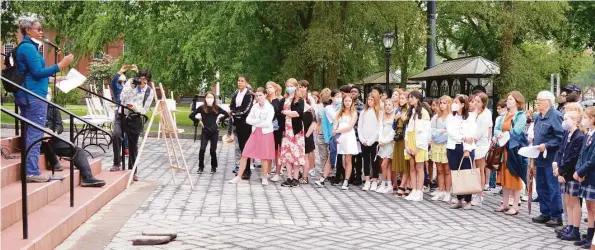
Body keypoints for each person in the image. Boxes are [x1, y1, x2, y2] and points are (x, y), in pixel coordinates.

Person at [15, 16, 74, 183]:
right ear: (28, 30)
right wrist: (61, 65)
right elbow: (37, 73)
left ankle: (30, 170)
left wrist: (54, 79)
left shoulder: (29, 48)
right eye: (38, 29)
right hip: (33, 97)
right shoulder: (28, 48)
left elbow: (33, 75)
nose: (41, 32)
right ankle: (32, 172)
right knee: (35, 134)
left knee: (31, 133)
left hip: (30, 93)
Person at [43, 97, 105, 187]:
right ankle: (54, 162)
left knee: (77, 150)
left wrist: (55, 131)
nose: (46, 96)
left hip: (53, 137)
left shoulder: (53, 107)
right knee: (46, 141)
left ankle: (88, 177)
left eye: (48, 94)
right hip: (38, 139)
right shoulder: (32, 108)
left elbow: (59, 126)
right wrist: (42, 132)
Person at [110, 69, 155, 182]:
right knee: (116, 135)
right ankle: (116, 163)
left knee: (133, 145)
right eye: (140, 77)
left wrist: (135, 108)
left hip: (135, 118)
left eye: (144, 79)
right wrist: (131, 87)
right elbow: (122, 98)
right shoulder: (130, 82)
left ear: (148, 80)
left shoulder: (149, 92)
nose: (141, 81)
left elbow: (144, 110)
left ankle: (132, 170)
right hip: (122, 115)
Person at [229, 88, 276, 185]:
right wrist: (259, 121)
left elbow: (267, 123)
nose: (258, 97)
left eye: (260, 95)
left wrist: (256, 121)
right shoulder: (254, 107)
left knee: (264, 156)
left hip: (266, 134)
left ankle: (264, 177)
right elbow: (248, 120)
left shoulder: (270, 107)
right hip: (255, 133)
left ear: (265, 95)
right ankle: (239, 176)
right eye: (257, 95)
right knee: (245, 154)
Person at [531, 91, 565, 226]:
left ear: (549, 102)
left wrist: (547, 145)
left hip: (551, 158)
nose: (537, 102)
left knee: (553, 187)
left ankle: (556, 216)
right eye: (537, 99)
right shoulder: (539, 117)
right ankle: (545, 213)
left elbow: (560, 137)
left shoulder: (556, 116)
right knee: (541, 187)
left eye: (540, 99)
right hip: (539, 157)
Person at [493, 91, 528, 215]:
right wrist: (499, 134)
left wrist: (505, 135)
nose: (508, 101)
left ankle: (515, 206)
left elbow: (517, 131)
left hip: (514, 150)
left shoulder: (520, 116)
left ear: (517, 102)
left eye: (511, 99)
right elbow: (496, 129)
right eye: (508, 99)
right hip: (503, 149)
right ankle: (505, 203)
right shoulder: (504, 115)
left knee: (514, 176)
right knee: (503, 176)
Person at [553, 111, 585, 241]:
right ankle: (570, 226)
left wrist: (561, 170)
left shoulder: (579, 136)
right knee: (567, 201)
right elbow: (561, 151)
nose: (564, 121)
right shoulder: (567, 134)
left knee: (574, 201)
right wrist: (557, 167)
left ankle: (575, 229)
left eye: (567, 119)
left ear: (576, 121)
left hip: (571, 173)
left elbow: (573, 158)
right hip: (564, 173)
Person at [446, 95, 477, 209]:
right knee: (456, 173)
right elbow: (451, 132)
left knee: (466, 173)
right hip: (453, 147)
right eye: (454, 102)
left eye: (457, 102)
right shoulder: (450, 117)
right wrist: (463, 138)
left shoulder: (471, 117)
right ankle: (459, 199)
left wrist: (467, 149)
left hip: (466, 148)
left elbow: (472, 134)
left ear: (463, 104)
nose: (455, 104)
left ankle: (468, 200)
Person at [189, 92, 229, 174]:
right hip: (205, 131)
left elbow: (226, 114)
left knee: (212, 150)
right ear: (205, 98)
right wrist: (198, 121)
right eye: (208, 97)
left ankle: (213, 167)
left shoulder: (216, 107)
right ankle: (200, 167)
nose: (209, 99)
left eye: (211, 97)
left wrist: (220, 120)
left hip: (214, 131)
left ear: (214, 99)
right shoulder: (202, 107)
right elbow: (191, 115)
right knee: (202, 149)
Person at [403, 90, 431, 202]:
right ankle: (413, 189)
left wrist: (418, 147)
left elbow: (425, 132)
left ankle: (419, 191)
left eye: (412, 97)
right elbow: (407, 131)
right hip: (410, 141)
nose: (410, 99)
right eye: (409, 97)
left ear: (418, 99)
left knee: (419, 167)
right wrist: (407, 145)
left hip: (419, 143)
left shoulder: (424, 112)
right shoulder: (410, 112)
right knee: (412, 167)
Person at [574, 107, 595, 248]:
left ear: (593, 119)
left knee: (593, 208)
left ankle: (592, 238)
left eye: (586, 118)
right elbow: (581, 155)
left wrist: (580, 172)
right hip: (584, 175)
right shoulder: (588, 134)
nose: (584, 121)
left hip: (592, 175)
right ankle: (588, 236)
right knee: (588, 206)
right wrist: (578, 170)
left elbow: (593, 160)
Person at [279, 78, 306, 187]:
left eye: (291, 85)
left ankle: (296, 177)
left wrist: (285, 112)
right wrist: (286, 113)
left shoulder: (299, 99)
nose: (289, 88)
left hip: (296, 131)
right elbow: (279, 112)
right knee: (287, 155)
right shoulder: (284, 99)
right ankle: (289, 177)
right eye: (287, 85)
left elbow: (298, 113)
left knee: (296, 154)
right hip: (286, 130)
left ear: (296, 86)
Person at [315, 89, 342, 187]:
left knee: (335, 156)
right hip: (329, 135)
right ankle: (325, 174)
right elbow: (320, 122)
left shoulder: (343, 108)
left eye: (340, 97)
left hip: (339, 135)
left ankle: (334, 174)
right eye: (337, 97)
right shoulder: (326, 109)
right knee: (326, 156)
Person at [332, 95, 359, 190]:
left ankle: (346, 180)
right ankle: (344, 176)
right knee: (341, 158)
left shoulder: (354, 113)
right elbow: (335, 123)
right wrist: (335, 131)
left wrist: (338, 131)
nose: (347, 102)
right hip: (339, 136)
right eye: (346, 100)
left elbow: (350, 126)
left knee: (348, 159)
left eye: (349, 100)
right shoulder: (339, 112)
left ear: (352, 102)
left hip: (348, 136)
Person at [230, 75, 254, 179]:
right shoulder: (236, 93)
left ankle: (247, 171)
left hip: (246, 124)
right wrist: (235, 111)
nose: (239, 83)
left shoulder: (249, 94)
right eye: (238, 81)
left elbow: (246, 110)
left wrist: (234, 112)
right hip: (238, 123)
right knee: (240, 147)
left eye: (242, 81)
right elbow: (232, 106)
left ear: (246, 82)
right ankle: (242, 169)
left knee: (246, 147)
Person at [472, 92, 493, 205]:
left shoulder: (486, 113)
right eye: (475, 101)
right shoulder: (474, 113)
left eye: (478, 101)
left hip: (481, 144)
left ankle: (479, 193)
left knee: (480, 169)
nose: (475, 103)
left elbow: (482, 129)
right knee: (474, 169)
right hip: (473, 143)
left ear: (483, 103)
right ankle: (474, 191)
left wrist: (473, 138)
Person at [430, 96, 451, 202]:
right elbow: (431, 131)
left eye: (444, 103)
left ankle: (448, 191)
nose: (442, 105)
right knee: (439, 169)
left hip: (447, 146)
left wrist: (440, 134)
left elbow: (449, 133)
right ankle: (441, 190)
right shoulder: (436, 117)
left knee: (447, 170)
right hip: (437, 145)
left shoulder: (451, 117)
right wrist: (439, 132)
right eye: (441, 103)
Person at [358, 93, 381, 191]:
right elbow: (360, 126)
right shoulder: (363, 112)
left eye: (372, 99)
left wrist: (372, 140)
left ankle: (375, 180)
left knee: (374, 161)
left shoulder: (379, 112)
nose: (370, 101)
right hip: (364, 140)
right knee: (366, 161)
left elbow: (379, 127)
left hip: (374, 141)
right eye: (368, 99)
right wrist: (362, 139)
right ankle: (367, 180)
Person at [375, 101, 396, 193]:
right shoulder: (382, 115)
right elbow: (380, 128)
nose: (387, 106)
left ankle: (384, 183)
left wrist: (385, 141)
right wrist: (380, 139)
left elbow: (393, 130)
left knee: (384, 164)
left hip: (390, 143)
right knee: (387, 166)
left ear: (393, 105)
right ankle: (389, 184)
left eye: (389, 104)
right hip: (382, 142)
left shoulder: (395, 115)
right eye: (386, 104)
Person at [299, 80, 317, 184]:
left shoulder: (310, 100)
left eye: (303, 87)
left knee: (306, 153)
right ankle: (299, 173)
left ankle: (305, 176)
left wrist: (307, 134)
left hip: (307, 130)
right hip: (298, 129)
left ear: (307, 88)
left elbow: (314, 119)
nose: (302, 89)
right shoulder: (295, 98)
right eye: (300, 87)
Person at [393, 90, 411, 197]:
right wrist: (395, 120)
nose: (401, 100)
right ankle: (406, 185)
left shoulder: (410, 110)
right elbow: (394, 127)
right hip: (398, 137)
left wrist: (404, 120)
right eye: (400, 98)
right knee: (399, 163)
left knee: (406, 163)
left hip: (406, 138)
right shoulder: (398, 110)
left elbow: (409, 126)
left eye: (403, 98)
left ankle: (404, 186)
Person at [266, 82, 284, 182]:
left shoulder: (280, 100)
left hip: (277, 128)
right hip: (267, 128)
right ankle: (267, 171)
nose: (268, 89)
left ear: (275, 88)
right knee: (268, 151)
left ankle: (277, 172)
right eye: (267, 88)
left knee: (277, 151)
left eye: (270, 87)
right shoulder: (266, 100)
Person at [350, 85, 364, 186]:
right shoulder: (347, 104)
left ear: (358, 94)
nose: (353, 93)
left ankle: (358, 176)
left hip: (357, 135)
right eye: (351, 92)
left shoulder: (361, 106)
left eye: (355, 92)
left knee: (358, 157)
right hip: (349, 134)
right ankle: (350, 176)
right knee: (350, 157)